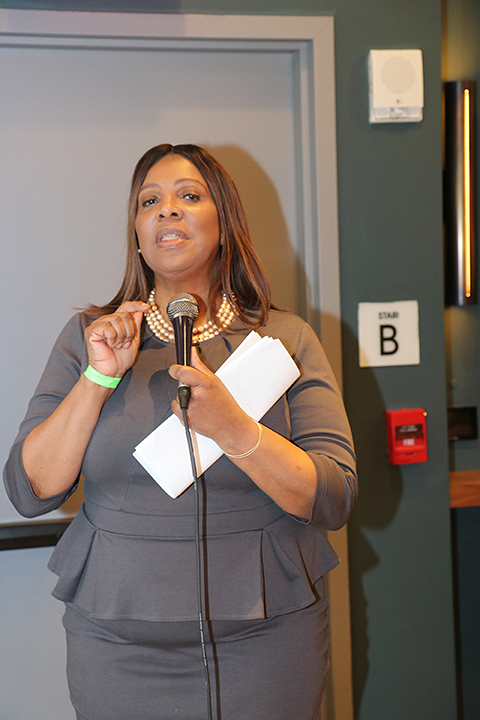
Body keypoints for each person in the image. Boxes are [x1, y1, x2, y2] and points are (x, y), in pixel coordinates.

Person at [3, 143, 357, 720]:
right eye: (149, 201)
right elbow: (29, 490)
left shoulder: (285, 339)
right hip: (117, 644)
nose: (166, 210)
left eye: (189, 196)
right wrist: (99, 377)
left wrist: (235, 431)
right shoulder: (90, 336)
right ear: (138, 233)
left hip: (266, 639)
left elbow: (333, 497)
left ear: (224, 222)